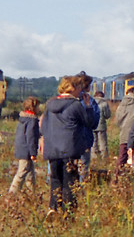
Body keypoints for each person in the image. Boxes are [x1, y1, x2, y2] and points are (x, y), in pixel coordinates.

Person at [41, 76, 96, 212]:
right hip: (69, 149)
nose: (81, 90)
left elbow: (43, 126)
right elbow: (90, 123)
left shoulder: (50, 104)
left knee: (55, 180)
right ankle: (69, 211)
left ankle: (53, 208)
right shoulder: (75, 105)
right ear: (73, 88)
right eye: (79, 87)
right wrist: (88, 107)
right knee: (69, 181)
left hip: (52, 149)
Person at [8, 97, 41, 195]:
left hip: (21, 149)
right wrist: (33, 153)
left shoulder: (23, 119)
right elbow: (30, 137)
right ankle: (11, 194)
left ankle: (32, 195)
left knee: (30, 175)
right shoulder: (32, 121)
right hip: (26, 151)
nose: (39, 109)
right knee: (21, 173)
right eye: (38, 106)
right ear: (33, 107)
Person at [73, 73, 100, 182]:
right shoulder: (90, 102)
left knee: (70, 167)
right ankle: (81, 191)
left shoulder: (67, 101)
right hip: (85, 139)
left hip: (69, 141)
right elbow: (94, 123)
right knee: (83, 168)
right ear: (87, 86)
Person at [114, 86, 134, 175]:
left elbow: (117, 120)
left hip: (123, 134)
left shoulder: (121, 105)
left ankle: (117, 176)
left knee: (122, 157)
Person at [92, 91, 111, 160]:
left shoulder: (91, 103)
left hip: (92, 125)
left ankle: (94, 156)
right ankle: (104, 157)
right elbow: (107, 115)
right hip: (101, 125)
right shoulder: (104, 104)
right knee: (103, 142)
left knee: (93, 142)